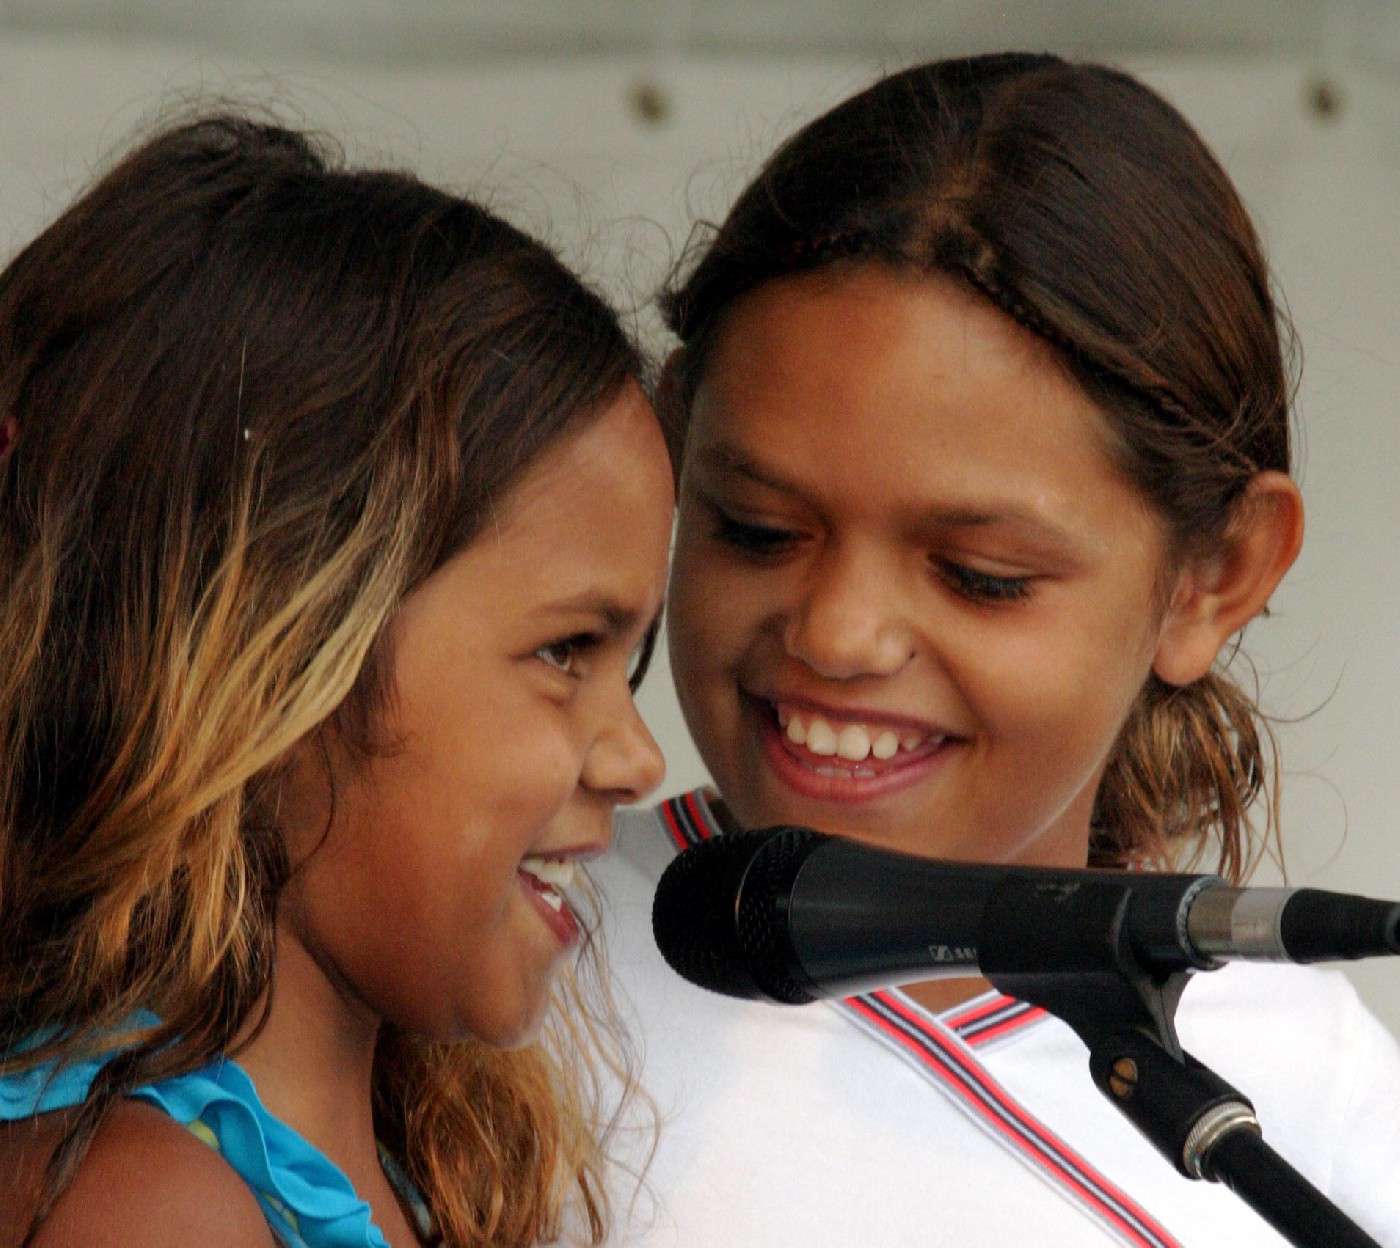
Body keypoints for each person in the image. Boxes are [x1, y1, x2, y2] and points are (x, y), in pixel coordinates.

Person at [594, 53, 1400, 1246]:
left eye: (980, 576)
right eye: (756, 530)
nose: (834, 634)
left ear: (1214, 576)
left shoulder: (1316, 1092)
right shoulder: (513, 962)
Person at [0, 113, 675, 1248]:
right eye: (566, 652)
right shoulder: (148, 1210)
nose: (637, 757)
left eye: (632, 662)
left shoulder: (397, 1166)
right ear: (279, 646)